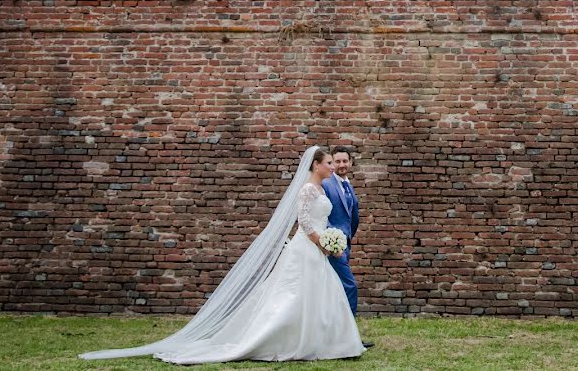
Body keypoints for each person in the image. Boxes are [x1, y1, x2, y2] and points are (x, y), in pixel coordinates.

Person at [79, 146, 366, 363]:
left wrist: (330, 240)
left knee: (319, 295)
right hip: (309, 247)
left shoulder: (321, 189)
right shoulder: (306, 190)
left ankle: (324, 340)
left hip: (318, 248)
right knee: (291, 295)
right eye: (329, 162)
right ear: (316, 165)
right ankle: (277, 338)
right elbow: (303, 224)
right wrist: (323, 243)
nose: (333, 166)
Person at [322, 145, 374, 348]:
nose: (342, 165)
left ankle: (336, 337)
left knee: (336, 291)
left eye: (345, 161)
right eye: (338, 161)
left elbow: (352, 216)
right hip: (332, 246)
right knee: (349, 286)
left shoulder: (347, 184)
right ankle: (349, 339)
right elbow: (321, 214)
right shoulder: (327, 184)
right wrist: (331, 241)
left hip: (345, 244)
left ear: (351, 163)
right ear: (332, 163)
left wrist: (347, 239)